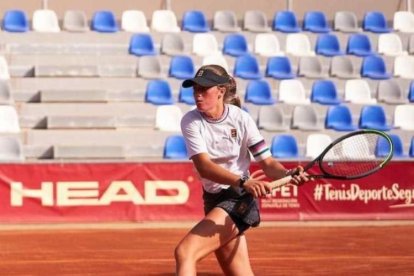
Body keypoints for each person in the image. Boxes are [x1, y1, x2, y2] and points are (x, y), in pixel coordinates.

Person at [175, 64, 310, 275]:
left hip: (238, 199)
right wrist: (243, 181)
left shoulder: (241, 119)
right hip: (213, 200)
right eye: (195, 90)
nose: (198, 96)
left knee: (185, 253)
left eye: (204, 90)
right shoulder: (191, 121)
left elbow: (267, 163)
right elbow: (204, 167)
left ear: (221, 91)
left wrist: (287, 175)